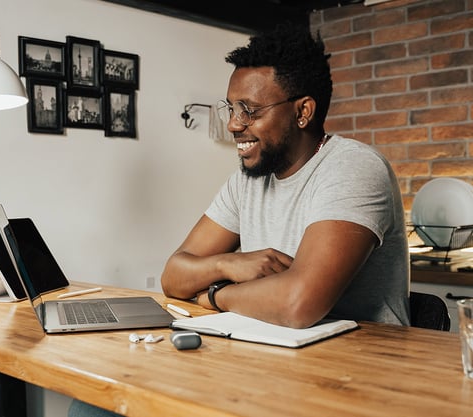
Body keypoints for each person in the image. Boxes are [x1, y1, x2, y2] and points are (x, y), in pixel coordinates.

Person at [160, 23, 410, 329]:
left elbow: (297, 303)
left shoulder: (354, 167)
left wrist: (214, 294)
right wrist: (230, 262)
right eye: (232, 109)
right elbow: (173, 275)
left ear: (303, 112)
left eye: (249, 111)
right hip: (276, 358)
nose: (233, 125)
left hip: (365, 366)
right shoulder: (247, 181)